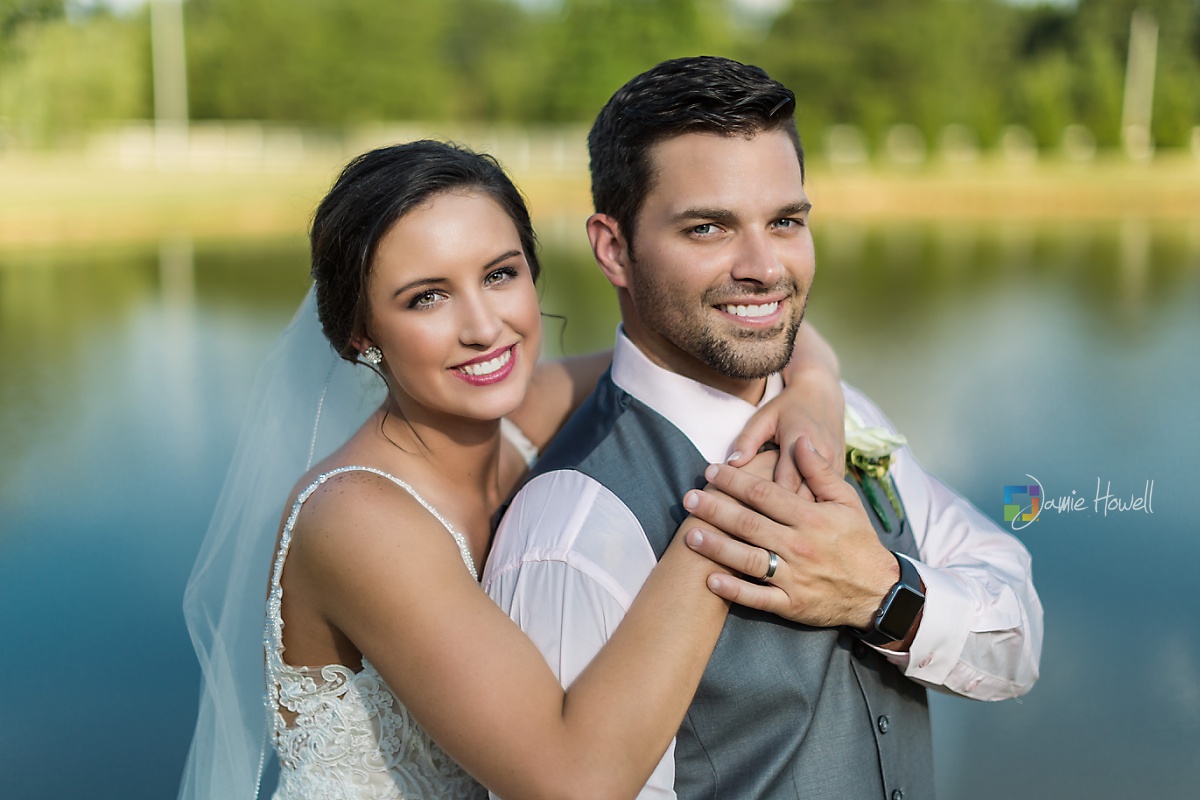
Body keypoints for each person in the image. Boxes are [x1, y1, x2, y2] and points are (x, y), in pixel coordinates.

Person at [177, 139, 846, 800]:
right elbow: (573, 782)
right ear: (361, 334)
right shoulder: (357, 518)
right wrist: (739, 499)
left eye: (500, 274)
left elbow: (727, 338)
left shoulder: (529, 413)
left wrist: (814, 385)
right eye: (426, 298)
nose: (484, 327)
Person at [483, 56, 1044, 799]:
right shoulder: (569, 532)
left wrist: (884, 594)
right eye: (709, 227)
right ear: (613, 249)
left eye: (785, 221)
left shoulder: (846, 412)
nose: (764, 267)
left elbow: (1018, 641)